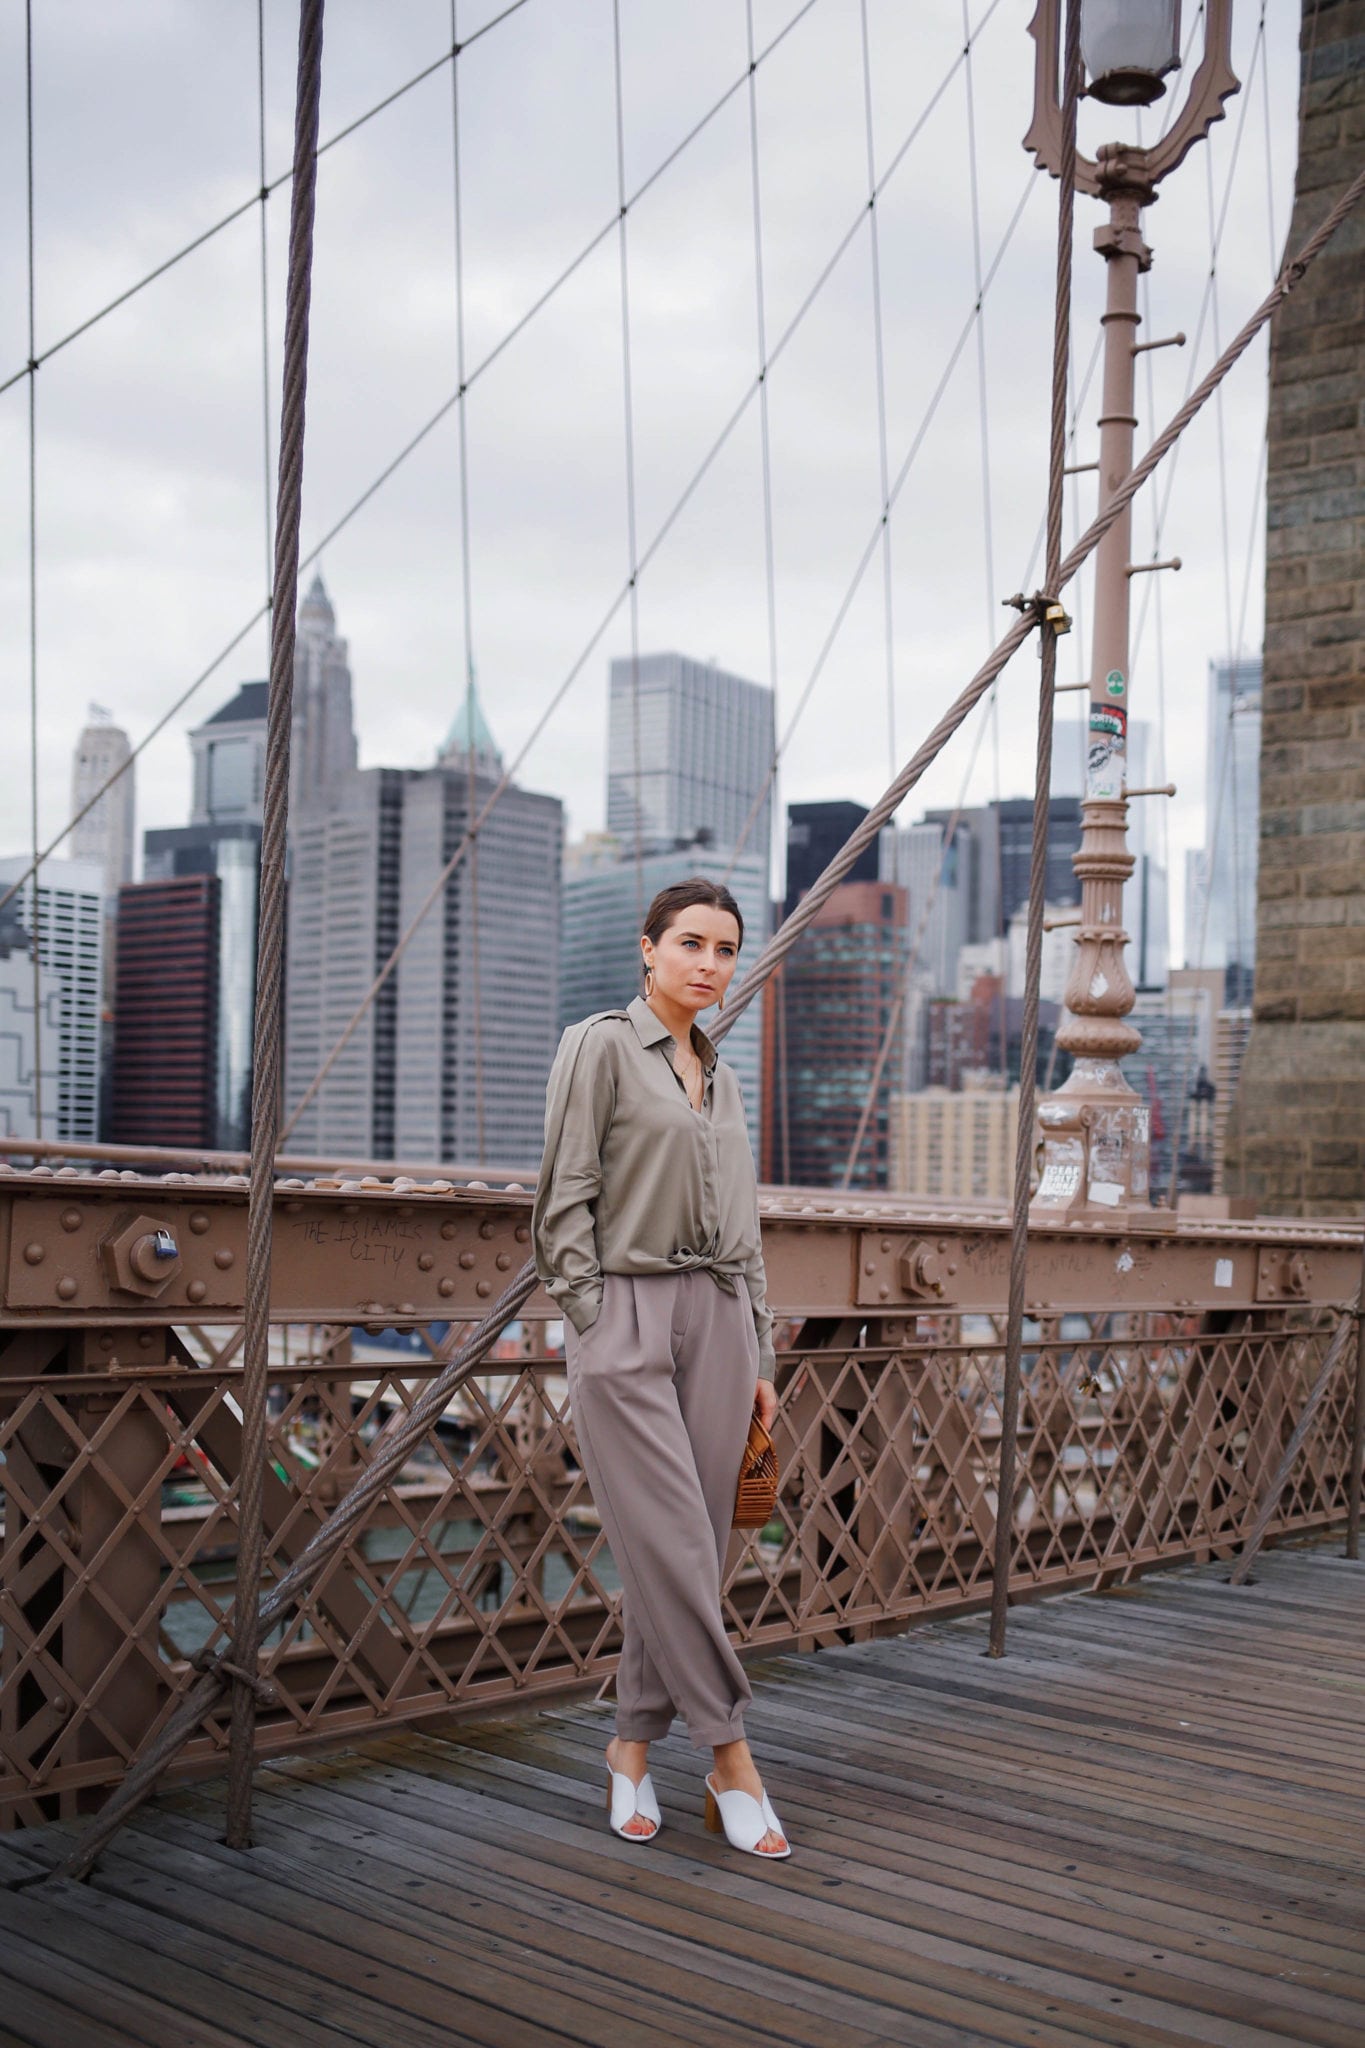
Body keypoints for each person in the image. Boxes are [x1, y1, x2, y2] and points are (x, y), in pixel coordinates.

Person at [532, 878, 790, 1859]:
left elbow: (746, 1227)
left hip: (721, 1320)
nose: (709, 963)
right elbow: (562, 1198)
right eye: (690, 942)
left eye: (725, 948)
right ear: (648, 949)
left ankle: (630, 1745)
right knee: (674, 1535)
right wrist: (595, 1320)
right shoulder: (599, 1045)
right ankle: (731, 1753)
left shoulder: (721, 1076)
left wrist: (759, 1347)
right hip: (629, 1315)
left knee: (698, 1547)